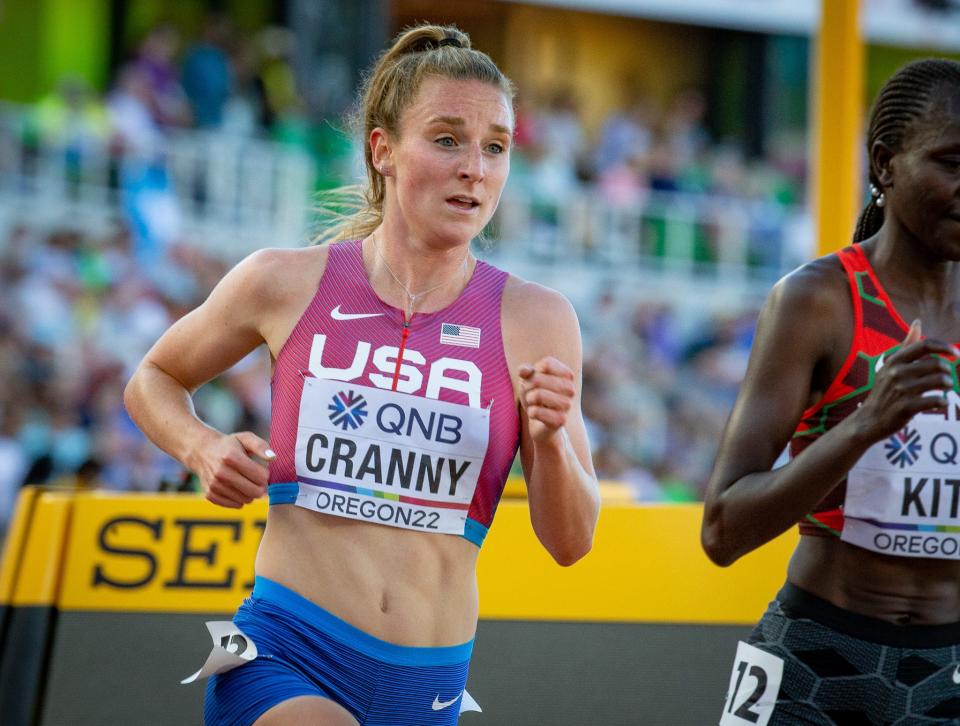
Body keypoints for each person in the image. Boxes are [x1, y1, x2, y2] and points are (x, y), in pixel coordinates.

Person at [124, 24, 599, 726]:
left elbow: (571, 543)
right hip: (283, 653)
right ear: (383, 150)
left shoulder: (538, 318)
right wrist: (201, 447)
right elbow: (154, 376)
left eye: (495, 147)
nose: (475, 167)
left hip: (430, 683)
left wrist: (552, 438)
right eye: (446, 140)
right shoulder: (283, 282)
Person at [701, 58, 960, 724]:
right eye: (950, 162)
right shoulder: (818, 300)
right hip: (813, 660)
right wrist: (864, 425)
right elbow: (723, 530)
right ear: (884, 164)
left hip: (945, 675)